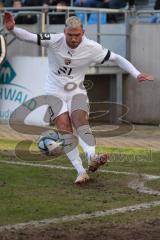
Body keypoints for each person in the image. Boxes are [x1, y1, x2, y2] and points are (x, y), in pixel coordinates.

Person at [4, 13, 154, 184]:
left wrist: (137, 74)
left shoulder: (92, 47)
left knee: (80, 120)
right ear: (64, 31)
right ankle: (81, 171)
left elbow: (117, 58)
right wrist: (13, 29)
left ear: (83, 32)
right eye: (70, 35)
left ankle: (93, 157)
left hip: (77, 91)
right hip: (54, 92)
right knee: (65, 129)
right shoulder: (54, 40)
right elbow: (29, 37)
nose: (74, 39)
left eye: (77, 35)